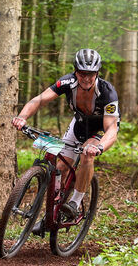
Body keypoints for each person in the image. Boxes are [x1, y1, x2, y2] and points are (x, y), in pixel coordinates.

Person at [11, 48, 120, 229]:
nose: (86, 78)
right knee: (60, 167)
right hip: (78, 125)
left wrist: (99, 147)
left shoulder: (107, 92)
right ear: (75, 71)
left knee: (86, 155)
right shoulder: (68, 82)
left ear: (97, 73)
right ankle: (50, 216)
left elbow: (112, 129)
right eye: (82, 73)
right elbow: (40, 99)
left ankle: (75, 203)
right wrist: (22, 117)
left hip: (99, 130)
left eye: (91, 74)